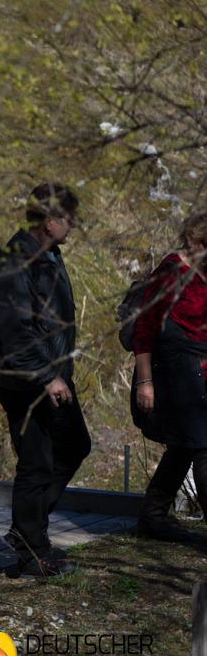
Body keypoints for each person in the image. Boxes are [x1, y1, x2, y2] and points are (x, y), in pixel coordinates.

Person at [0, 182, 88, 578]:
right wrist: (48, 377)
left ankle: (28, 530)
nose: (73, 225)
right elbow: (14, 331)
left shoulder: (48, 254)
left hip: (50, 373)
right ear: (50, 221)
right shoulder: (18, 261)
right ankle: (32, 549)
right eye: (69, 218)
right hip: (25, 378)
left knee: (74, 444)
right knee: (36, 461)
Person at [131, 211, 207, 542]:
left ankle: (152, 515)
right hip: (174, 374)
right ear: (197, 242)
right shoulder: (171, 272)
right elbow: (144, 329)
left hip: (200, 373)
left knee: (183, 446)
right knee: (202, 447)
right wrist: (145, 382)